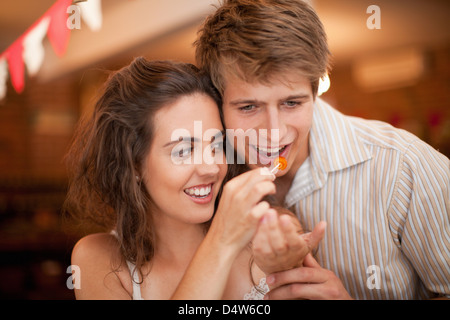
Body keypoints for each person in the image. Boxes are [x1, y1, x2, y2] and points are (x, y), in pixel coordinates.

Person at [195, 0, 450, 299]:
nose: (274, 132)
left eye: (292, 103)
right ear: (218, 102)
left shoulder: (406, 168)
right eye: (249, 106)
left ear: (316, 91)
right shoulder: (204, 179)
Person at [64, 57, 324, 299]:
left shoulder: (269, 238)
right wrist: (222, 238)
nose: (211, 168)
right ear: (133, 163)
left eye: (216, 145)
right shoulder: (97, 258)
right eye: (184, 150)